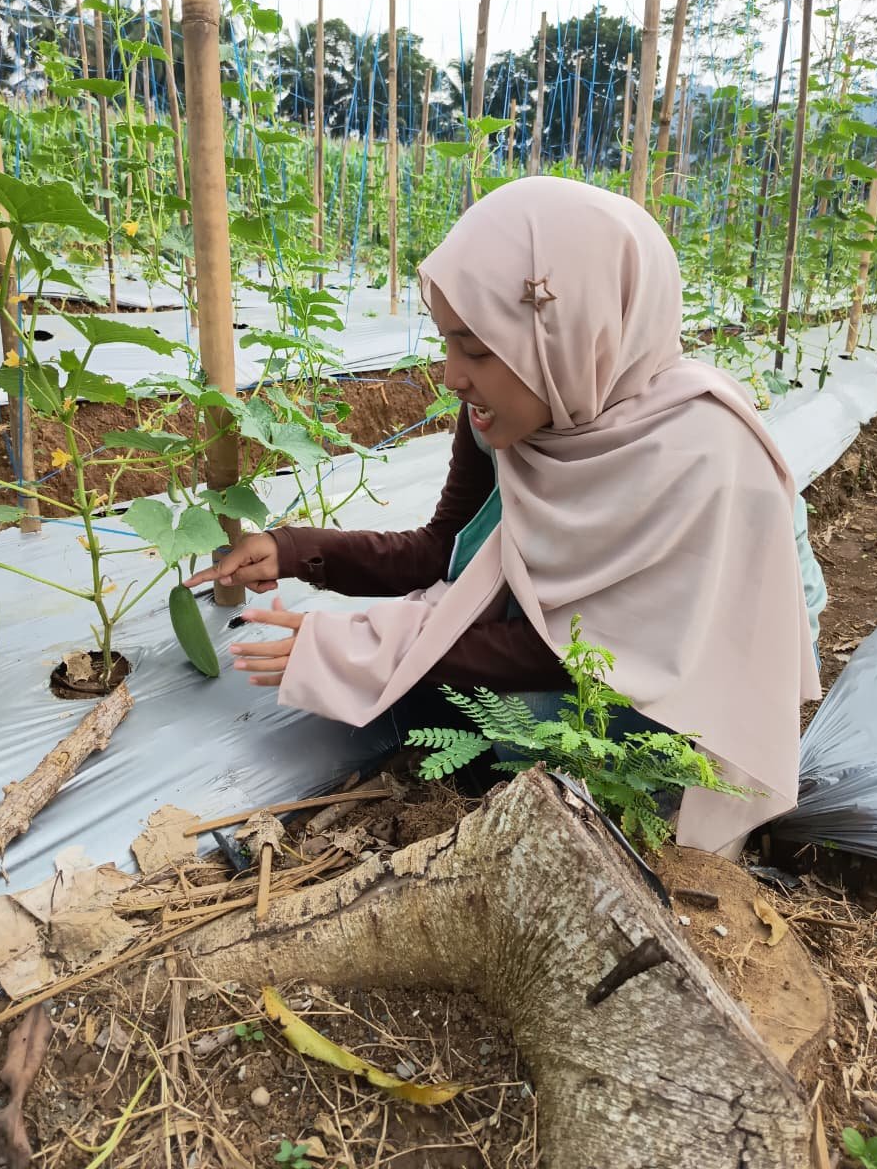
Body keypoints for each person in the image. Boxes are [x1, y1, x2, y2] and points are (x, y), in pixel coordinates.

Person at [186, 178, 822, 855]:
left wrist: (371, 647)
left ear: (573, 336)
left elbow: (596, 659)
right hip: (572, 647)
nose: (452, 376)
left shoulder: (705, 457)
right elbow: (441, 550)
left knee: (521, 745)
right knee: (436, 703)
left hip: (685, 682)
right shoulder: (514, 413)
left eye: (479, 350)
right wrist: (295, 550)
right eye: (449, 344)